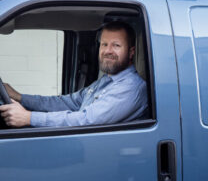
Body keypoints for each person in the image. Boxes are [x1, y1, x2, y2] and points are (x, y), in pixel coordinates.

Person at [0, 21, 148, 127]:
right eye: (104, 44)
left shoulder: (131, 87)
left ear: (131, 52)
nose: (107, 50)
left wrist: (29, 118)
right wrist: (19, 96)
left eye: (116, 45)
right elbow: (66, 102)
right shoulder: (106, 81)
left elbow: (86, 120)